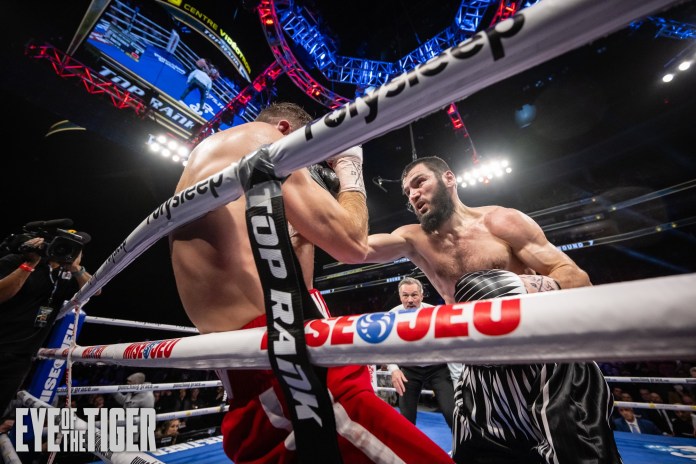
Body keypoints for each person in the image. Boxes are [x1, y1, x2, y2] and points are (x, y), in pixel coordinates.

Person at [169, 103, 453, 463]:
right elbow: (353, 243)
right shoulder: (262, 139)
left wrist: (303, 229)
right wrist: (350, 169)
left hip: (266, 358)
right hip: (294, 376)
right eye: (310, 158)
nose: (307, 172)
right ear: (286, 131)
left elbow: (295, 282)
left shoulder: (217, 160)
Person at [362, 156, 622, 464]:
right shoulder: (413, 239)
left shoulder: (500, 221)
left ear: (448, 178)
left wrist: (512, 291)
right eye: (407, 192)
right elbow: (355, 248)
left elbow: (578, 279)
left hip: (545, 365)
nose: (413, 195)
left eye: (419, 183)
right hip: (481, 377)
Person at [0, 230, 95, 417]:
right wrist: (29, 263)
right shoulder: (16, 259)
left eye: (76, 249)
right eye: (63, 244)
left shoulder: (65, 275)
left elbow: (95, 290)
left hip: (21, 357)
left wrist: (76, 268)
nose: (67, 251)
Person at [386, 277, 456, 429]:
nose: (410, 300)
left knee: (453, 413)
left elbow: (449, 343)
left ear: (422, 295)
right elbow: (385, 346)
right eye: (405, 295)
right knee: (406, 419)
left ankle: (464, 450)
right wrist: (394, 369)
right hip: (409, 370)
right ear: (400, 297)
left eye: (414, 295)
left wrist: (457, 374)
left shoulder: (434, 313)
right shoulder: (392, 316)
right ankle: (407, 452)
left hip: (437, 368)